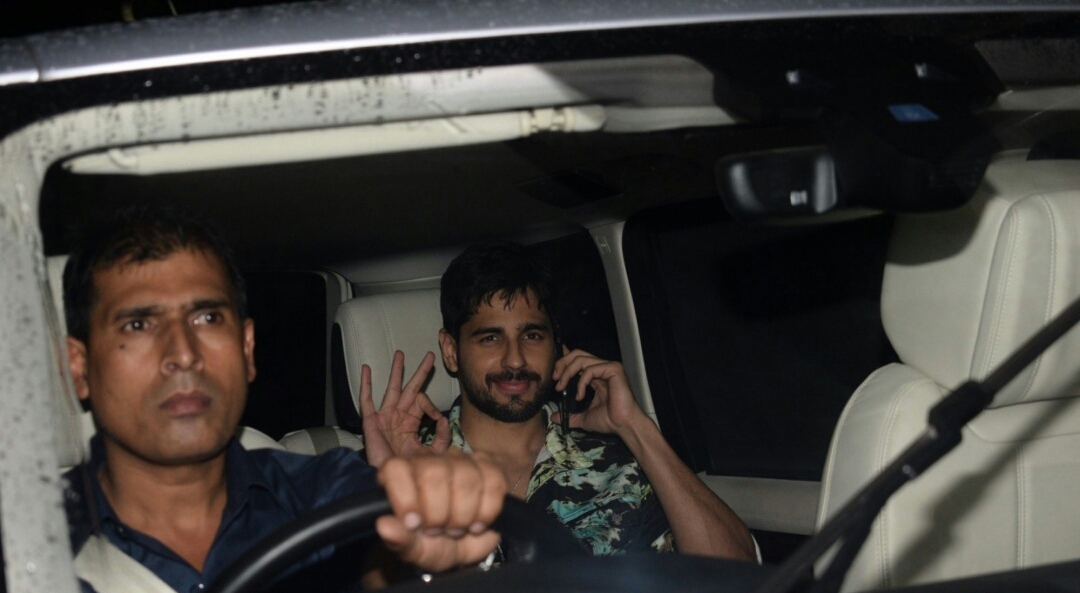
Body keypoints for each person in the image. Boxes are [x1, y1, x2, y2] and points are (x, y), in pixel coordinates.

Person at [61, 207, 506, 593]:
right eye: (138, 325)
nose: (183, 354)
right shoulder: (32, 538)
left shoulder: (326, 490)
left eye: (208, 317)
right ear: (80, 368)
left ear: (247, 349)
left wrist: (419, 541)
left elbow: (384, 555)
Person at [360, 241, 756, 561]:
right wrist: (388, 493)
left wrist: (636, 427)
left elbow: (736, 576)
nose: (515, 359)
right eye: (490, 338)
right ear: (451, 350)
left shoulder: (616, 469)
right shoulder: (405, 462)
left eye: (532, 335)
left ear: (556, 347)